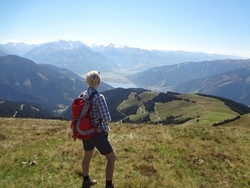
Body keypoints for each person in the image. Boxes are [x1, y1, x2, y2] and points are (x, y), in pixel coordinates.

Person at [80, 70, 115, 188]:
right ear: (98, 82)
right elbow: (106, 118)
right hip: (97, 133)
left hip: (85, 131)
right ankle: (109, 185)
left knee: (87, 155)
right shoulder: (99, 97)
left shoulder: (82, 95)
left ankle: (86, 181)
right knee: (111, 158)